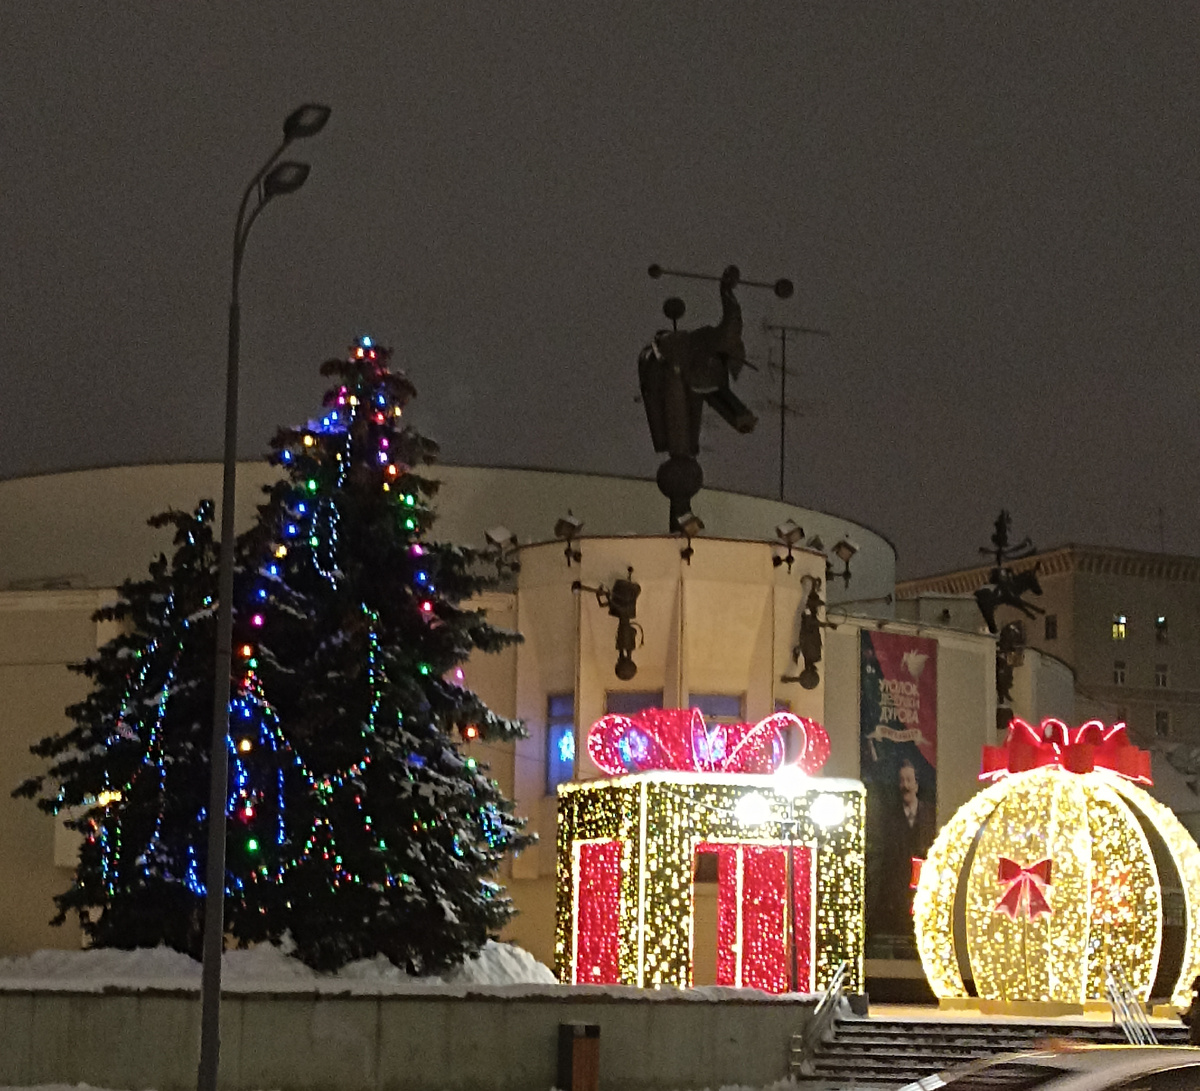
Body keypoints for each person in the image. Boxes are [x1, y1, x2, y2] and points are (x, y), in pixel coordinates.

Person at [873, 758, 937, 936]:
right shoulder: (889, 818)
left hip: (924, 890)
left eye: (909, 780)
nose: (905, 785)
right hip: (895, 894)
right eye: (901, 781)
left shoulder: (931, 815)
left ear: (916, 784)